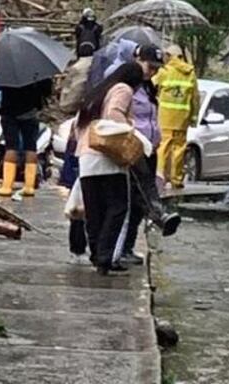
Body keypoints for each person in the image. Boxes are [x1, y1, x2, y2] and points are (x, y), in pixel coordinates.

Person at [75, 60, 144, 276]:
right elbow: (114, 113)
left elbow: (78, 125)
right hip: (108, 158)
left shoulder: (96, 92)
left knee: (94, 211)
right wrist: (129, 132)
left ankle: (97, 254)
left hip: (86, 157)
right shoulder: (123, 89)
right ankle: (105, 256)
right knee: (117, 207)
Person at [122, 44, 174, 262]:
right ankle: (157, 213)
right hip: (133, 148)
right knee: (135, 196)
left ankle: (129, 245)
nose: (152, 72)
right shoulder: (126, 86)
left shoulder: (148, 87)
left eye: (156, 69)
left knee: (139, 201)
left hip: (150, 149)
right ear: (137, 61)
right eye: (149, 67)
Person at [0, 77, 53, 198]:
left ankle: (7, 186)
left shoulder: (8, 71)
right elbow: (47, 91)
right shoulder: (38, 72)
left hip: (9, 111)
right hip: (30, 111)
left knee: (11, 147)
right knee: (31, 147)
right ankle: (29, 186)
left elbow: (0, 87)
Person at [155, 45, 199, 189]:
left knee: (163, 148)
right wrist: (194, 117)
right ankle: (176, 179)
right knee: (179, 149)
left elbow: (151, 85)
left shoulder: (164, 71)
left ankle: (160, 177)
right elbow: (195, 98)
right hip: (182, 118)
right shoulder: (190, 73)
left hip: (165, 117)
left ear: (169, 56)